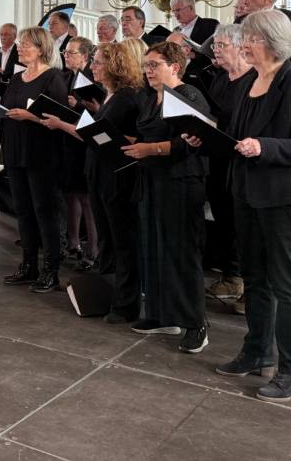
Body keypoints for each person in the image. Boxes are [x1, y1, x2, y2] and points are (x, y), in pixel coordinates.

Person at [206, 9, 291, 403]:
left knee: (288, 286)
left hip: (286, 198)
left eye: (250, 40)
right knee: (255, 279)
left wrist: (265, 147)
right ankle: (258, 351)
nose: (243, 46)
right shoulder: (250, 83)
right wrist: (205, 139)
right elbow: (237, 135)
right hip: (247, 192)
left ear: (271, 42)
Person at [122, 42, 210, 353]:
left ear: (174, 66)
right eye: (146, 65)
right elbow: (144, 133)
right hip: (151, 179)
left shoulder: (190, 95)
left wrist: (152, 149)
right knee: (154, 247)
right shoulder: (149, 97)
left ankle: (195, 322)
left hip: (181, 180)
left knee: (181, 252)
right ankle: (162, 314)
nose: (148, 70)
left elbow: (192, 142)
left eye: (154, 64)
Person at [1, 27, 69, 292]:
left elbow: (59, 117)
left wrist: (31, 117)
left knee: (46, 211)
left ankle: (51, 269)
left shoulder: (54, 77)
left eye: (26, 44)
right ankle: (28, 265)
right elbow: (7, 107)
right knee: (24, 210)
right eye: (20, 44)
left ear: (41, 48)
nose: (20, 47)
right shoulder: (17, 78)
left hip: (42, 153)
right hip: (16, 150)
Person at [83, 42, 144, 321]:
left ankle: (126, 304)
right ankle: (108, 295)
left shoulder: (128, 97)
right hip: (100, 173)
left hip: (118, 177)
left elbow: (135, 138)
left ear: (114, 65)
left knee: (123, 241)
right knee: (107, 239)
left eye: (97, 62)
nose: (92, 66)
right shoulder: (110, 96)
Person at [205, 24, 254, 306]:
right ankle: (231, 276)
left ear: (239, 46)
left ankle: (248, 286)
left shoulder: (252, 79)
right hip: (218, 159)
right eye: (215, 47)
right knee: (224, 221)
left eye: (221, 46)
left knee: (242, 225)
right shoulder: (221, 78)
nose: (216, 52)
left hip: (242, 160)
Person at [58, 37, 98, 266]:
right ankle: (73, 242)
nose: (66, 55)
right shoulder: (68, 76)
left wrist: (79, 105)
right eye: (66, 52)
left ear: (85, 56)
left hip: (85, 143)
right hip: (69, 142)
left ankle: (93, 251)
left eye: (71, 53)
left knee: (86, 198)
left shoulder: (91, 79)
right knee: (70, 193)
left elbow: (99, 111)